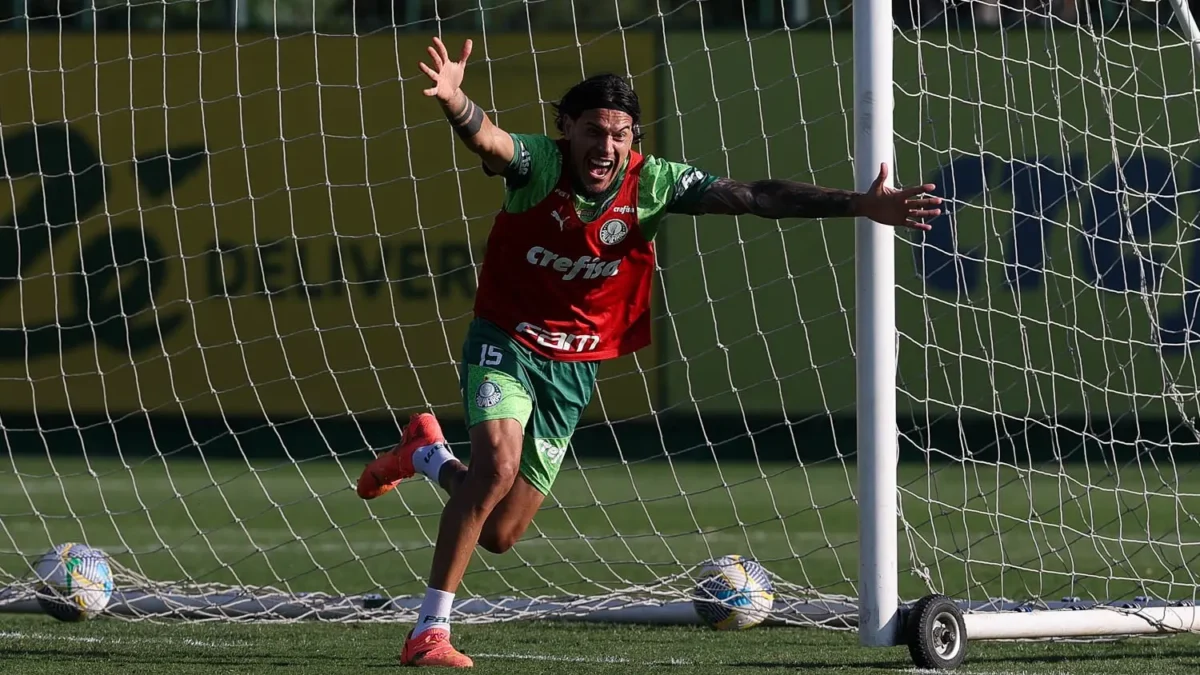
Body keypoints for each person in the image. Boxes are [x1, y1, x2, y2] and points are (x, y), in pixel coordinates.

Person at [355, 36, 942, 668]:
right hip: (506, 341)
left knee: (499, 531)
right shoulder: (540, 167)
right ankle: (429, 631)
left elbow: (756, 196)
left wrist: (860, 205)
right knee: (496, 470)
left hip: (575, 365)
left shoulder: (655, 182)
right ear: (566, 129)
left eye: (620, 134)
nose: (606, 146)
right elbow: (489, 140)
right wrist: (456, 101)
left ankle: (426, 452)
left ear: (634, 137)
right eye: (592, 131)